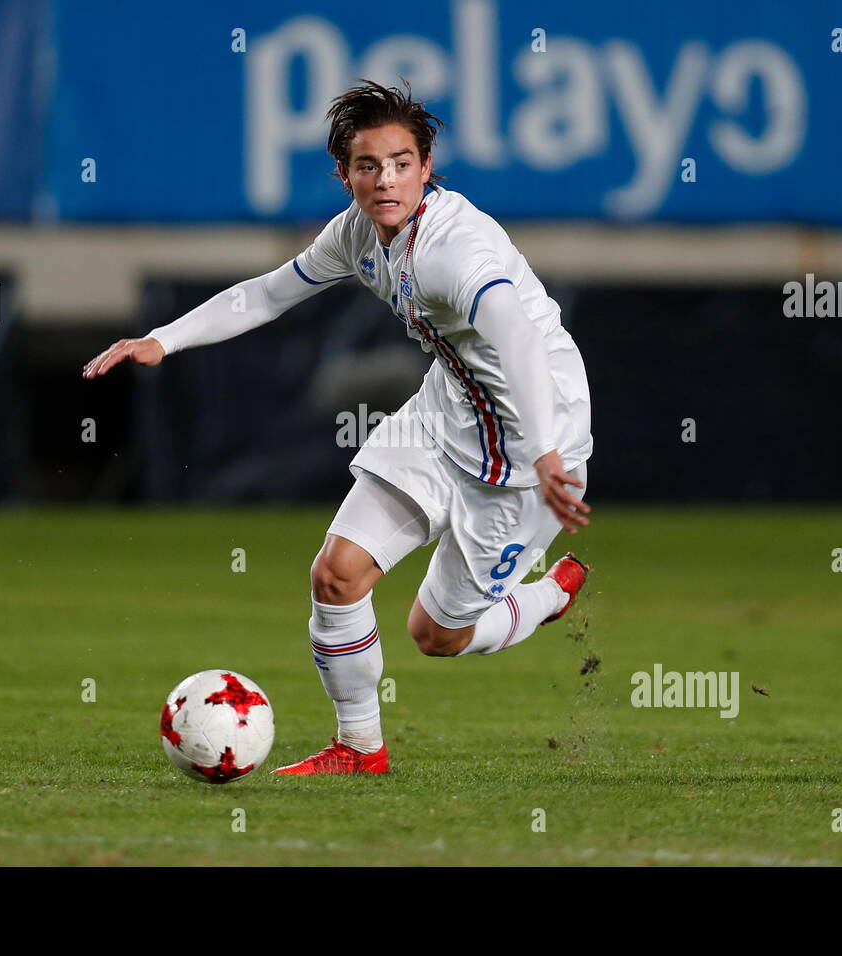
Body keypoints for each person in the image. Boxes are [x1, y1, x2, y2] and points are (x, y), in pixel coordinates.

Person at [84, 80, 594, 774]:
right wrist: (163, 341)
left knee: (435, 636)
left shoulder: (455, 247)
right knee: (337, 574)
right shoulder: (357, 232)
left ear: (426, 164)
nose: (386, 179)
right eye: (368, 165)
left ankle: (540, 596)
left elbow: (518, 338)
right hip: (447, 413)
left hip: (530, 444)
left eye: (402, 162)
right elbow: (266, 293)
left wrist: (546, 454)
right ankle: (359, 747)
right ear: (344, 172)